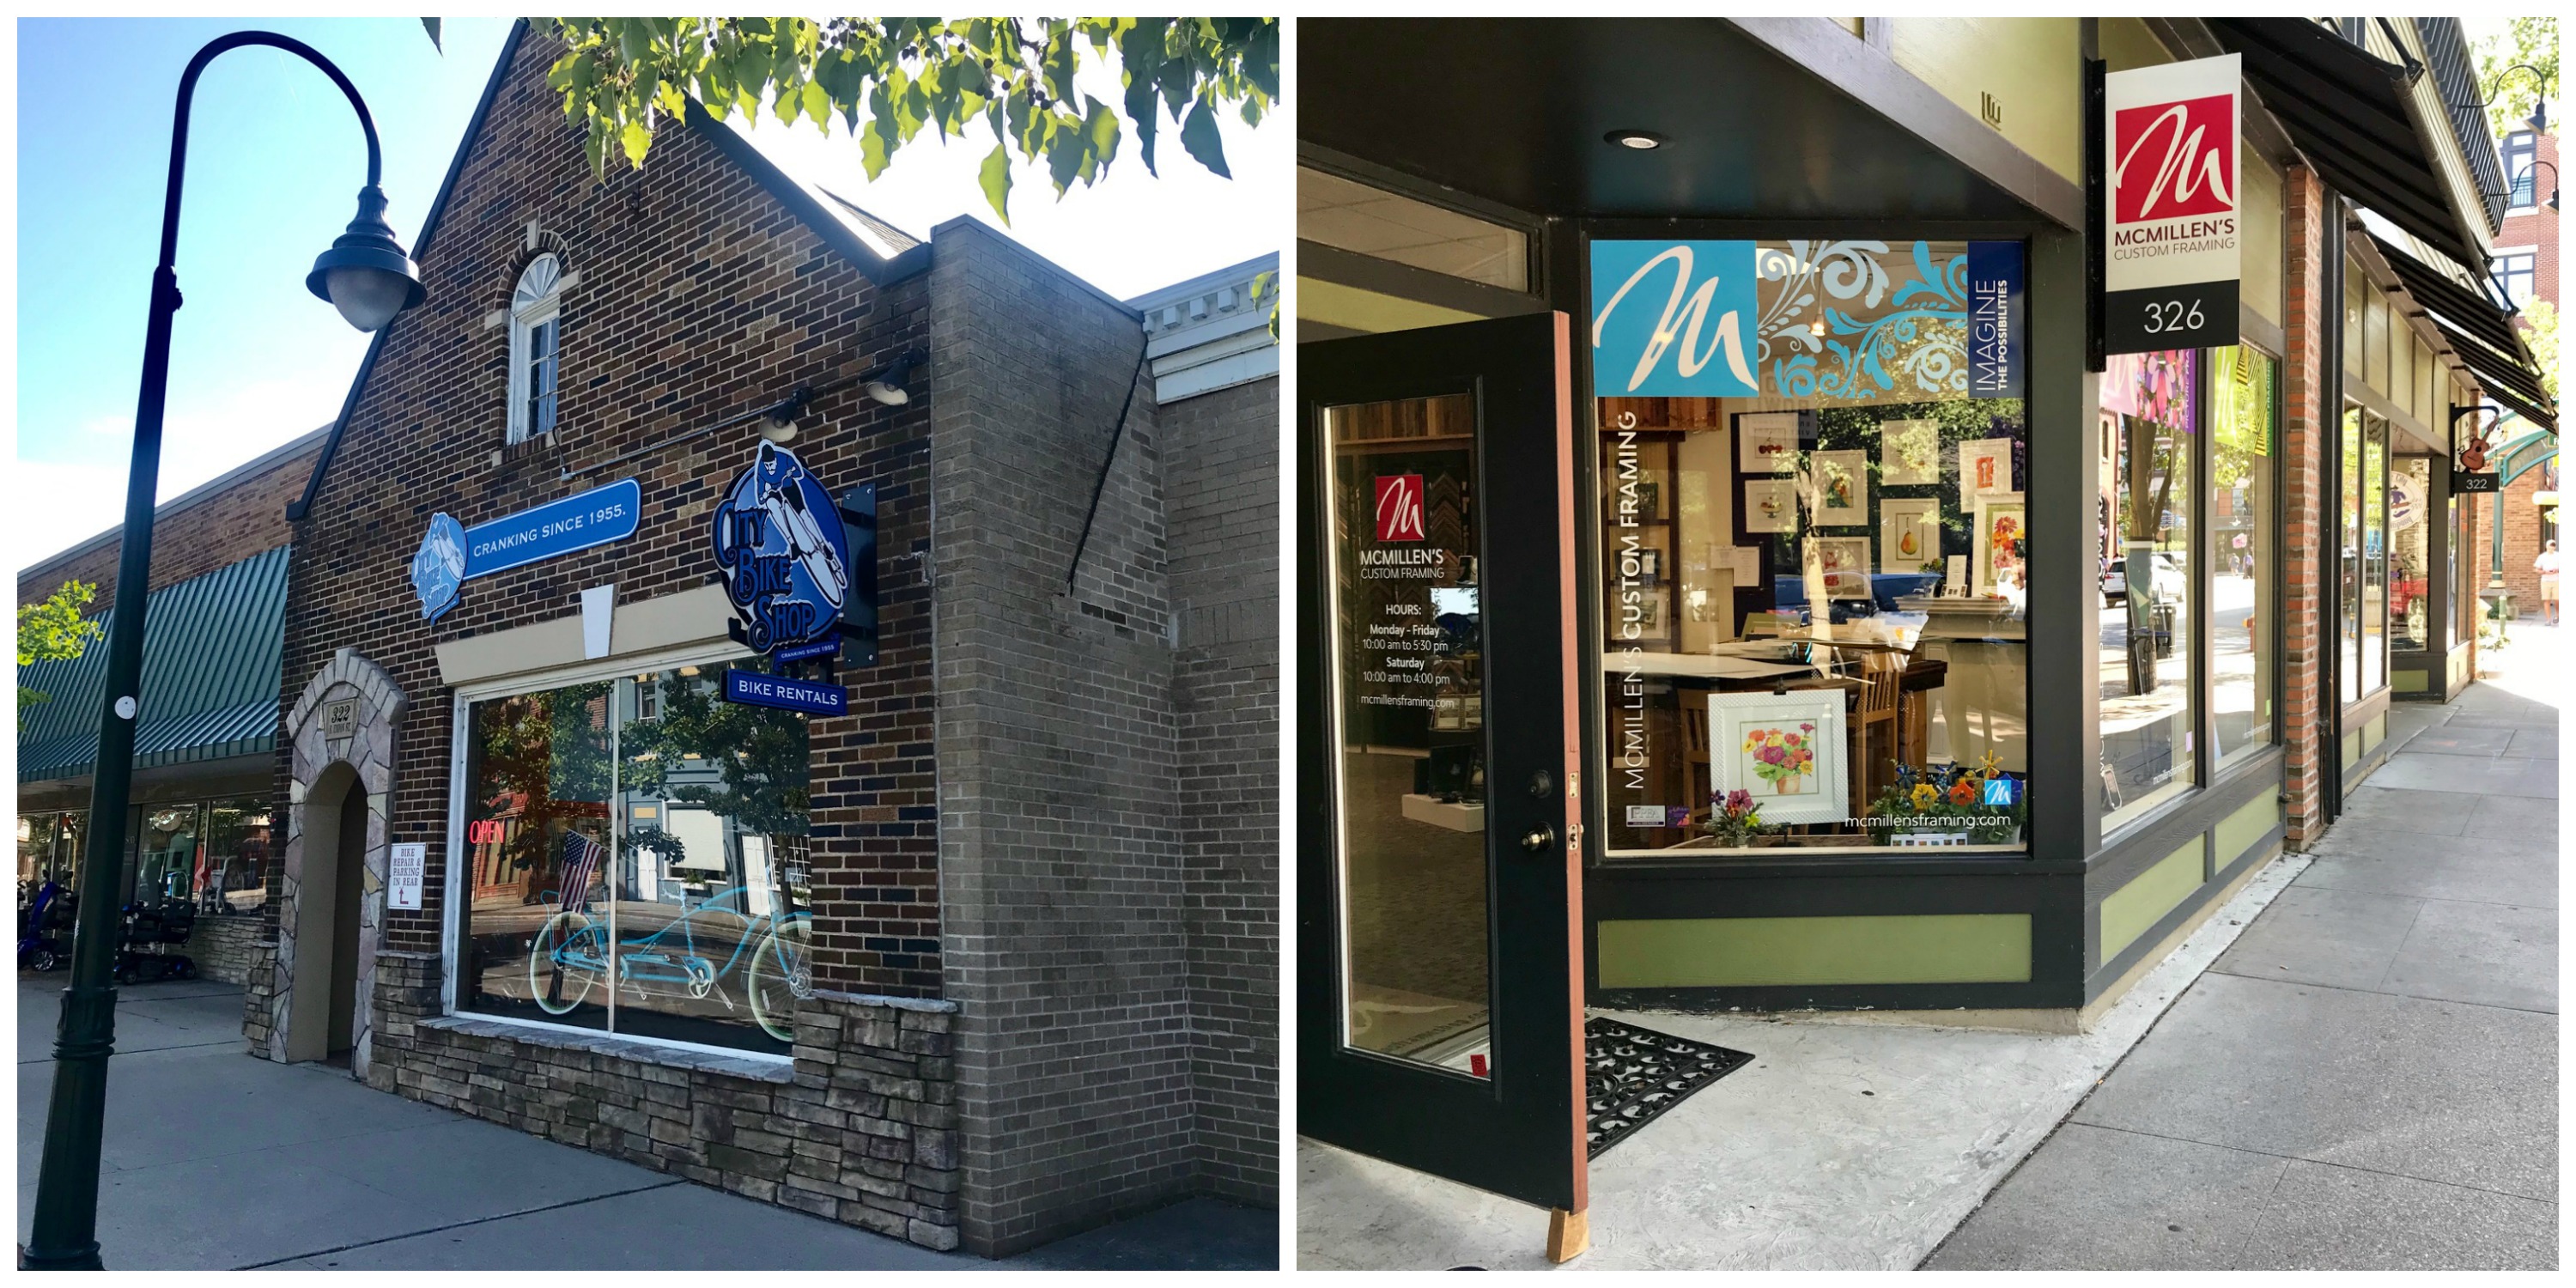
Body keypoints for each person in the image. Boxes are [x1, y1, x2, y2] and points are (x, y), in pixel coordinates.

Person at [2536, 539, 2560, 626]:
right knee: (2547, 600)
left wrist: (2557, 570)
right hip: (2545, 581)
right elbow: (2537, 569)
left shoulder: (2559, 556)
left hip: (2556, 580)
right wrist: (2545, 572)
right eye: (2550, 546)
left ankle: (2558, 615)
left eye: (2553, 546)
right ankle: (2548, 620)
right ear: (2547, 546)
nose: (2552, 547)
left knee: (2557, 600)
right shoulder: (2542, 557)